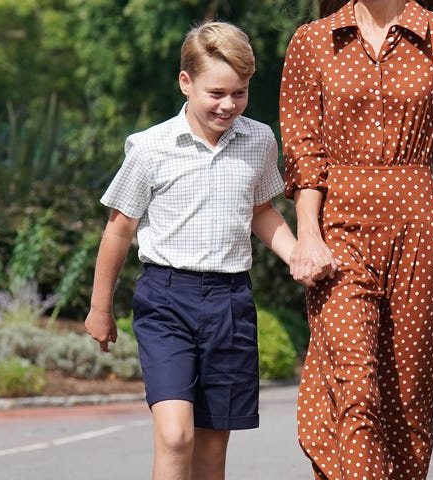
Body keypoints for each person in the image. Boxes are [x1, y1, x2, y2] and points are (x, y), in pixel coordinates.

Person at [85, 20, 299, 480]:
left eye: (239, 93)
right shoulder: (149, 148)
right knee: (176, 435)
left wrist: (296, 253)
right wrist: (99, 308)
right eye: (216, 93)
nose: (228, 105)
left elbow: (262, 210)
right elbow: (120, 230)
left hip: (231, 303)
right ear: (186, 83)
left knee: (210, 451)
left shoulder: (259, 139)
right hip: (166, 301)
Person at [280, 0, 433, 479]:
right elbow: (303, 152)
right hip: (338, 238)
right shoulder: (313, 41)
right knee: (354, 390)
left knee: (408, 408)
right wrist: (308, 237)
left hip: (417, 236)